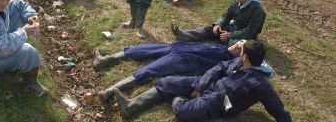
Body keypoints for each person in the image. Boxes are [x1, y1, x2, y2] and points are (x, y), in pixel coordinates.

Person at [114, 41, 292, 122]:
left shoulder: (260, 84)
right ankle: (131, 107)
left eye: (241, 49)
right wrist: (199, 85)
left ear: (245, 56)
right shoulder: (236, 61)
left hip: (220, 103)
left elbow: (278, 110)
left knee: (182, 110)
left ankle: (182, 98)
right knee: (168, 82)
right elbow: (218, 68)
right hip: (208, 84)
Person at [93, 40, 275, 104]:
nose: (237, 45)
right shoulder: (222, 47)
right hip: (177, 47)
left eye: (241, 46)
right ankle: (105, 60)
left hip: (181, 60)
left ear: (244, 55)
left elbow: (266, 69)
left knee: (147, 71)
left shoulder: (230, 62)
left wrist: (247, 54)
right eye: (238, 42)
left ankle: (109, 92)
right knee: (141, 50)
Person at [172, 0, 266, 46]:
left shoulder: (257, 10)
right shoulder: (236, 3)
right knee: (211, 29)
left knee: (235, 45)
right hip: (230, 30)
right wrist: (218, 24)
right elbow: (226, 16)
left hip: (244, 36)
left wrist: (230, 35)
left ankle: (224, 46)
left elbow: (251, 31)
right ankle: (184, 35)